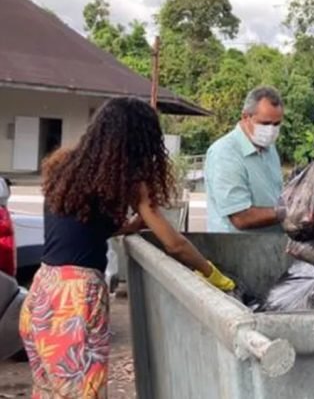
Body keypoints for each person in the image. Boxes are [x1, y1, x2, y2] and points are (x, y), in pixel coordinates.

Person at [19, 97, 234, 398]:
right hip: (76, 302)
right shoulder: (130, 183)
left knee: (48, 391)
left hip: (43, 291)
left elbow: (79, 229)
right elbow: (174, 244)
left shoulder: (65, 166)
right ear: (139, 143)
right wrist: (210, 272)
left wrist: (129, 227)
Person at [205, 87, 284, 233]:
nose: (271, 130)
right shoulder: (225, 153)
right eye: (265, 123)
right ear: (245, 117)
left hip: (270, 247)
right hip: (236, 251)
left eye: (277, 124)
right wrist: (288, 213)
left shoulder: (270, 149)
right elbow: (241, 218)